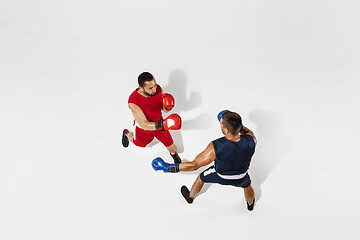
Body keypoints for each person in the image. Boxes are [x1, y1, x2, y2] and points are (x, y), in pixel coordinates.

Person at [152, 110, 257, 211]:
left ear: (226, 130)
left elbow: (194, 165)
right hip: (242, 176)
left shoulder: (215, 147)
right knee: (247, 186)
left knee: (201, 178)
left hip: (221, 175)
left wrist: (168, 167)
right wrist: (235, 124)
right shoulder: (251, 140)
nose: (220, 124)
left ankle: (190, 197)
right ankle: (250, 204)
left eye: (221, 123)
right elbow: (248, 131)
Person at [122, 72, 182, 163]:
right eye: (150, 88)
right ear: (141, 88)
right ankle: (126, 133)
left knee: (173, 148)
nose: (154, 89)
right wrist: (163, 124)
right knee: (139, 144)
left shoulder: (158, 89)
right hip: (144, 129)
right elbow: (144, 124)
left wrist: (167, 108)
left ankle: (173, 155)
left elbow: (161, 107)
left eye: (154, 85)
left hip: (159, 123)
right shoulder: (133, 101)